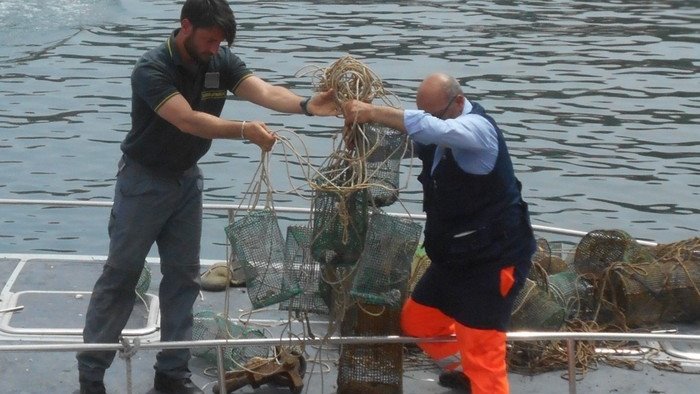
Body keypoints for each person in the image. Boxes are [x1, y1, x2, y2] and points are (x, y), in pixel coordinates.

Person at [76, 1, 337, 393]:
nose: (216, 47)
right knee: (122, 275)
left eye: (221, 41)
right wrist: (245, 130)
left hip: (186, 182)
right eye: (210, 39)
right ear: (186, 26)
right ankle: (92, 373)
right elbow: (187, 119)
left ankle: (172, 372)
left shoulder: (219, 59)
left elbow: (263, 90)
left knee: (183, 276)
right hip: (143, 183)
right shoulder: (152, 68)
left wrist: (306, 106)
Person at [342, 73, 536, 394]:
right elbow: (404, 143)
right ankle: (465, 372)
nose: (431, 120)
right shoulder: (439, 127)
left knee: (483, 354)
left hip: (493, 261)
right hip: (454, 259)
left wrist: (373, 111)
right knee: (419, 321)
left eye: (435, 113)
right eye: (425, 113)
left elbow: (436, 129)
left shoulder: (478, 130)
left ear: (458, 102)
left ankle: (481, 380)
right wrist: (363, 140)